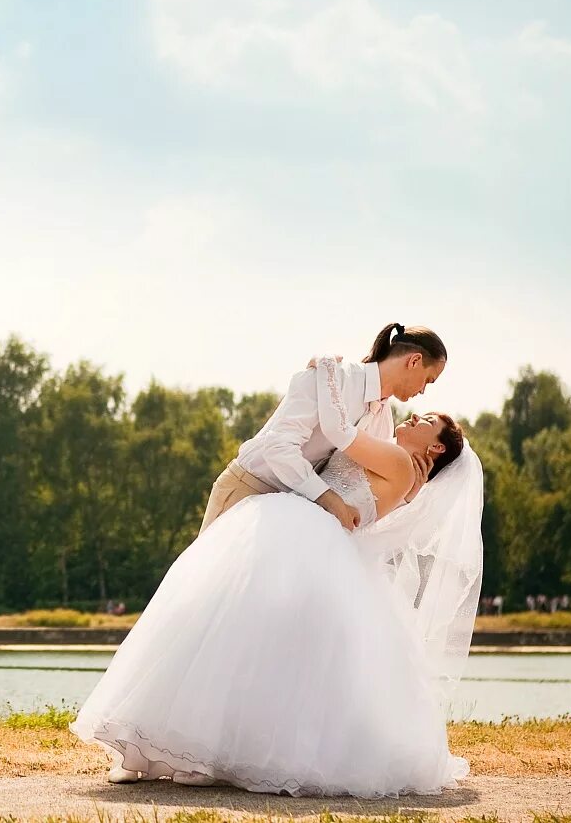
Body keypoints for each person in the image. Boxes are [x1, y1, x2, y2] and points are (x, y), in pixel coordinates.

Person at [72, 355, 484, 798]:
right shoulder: (397, 458)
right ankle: (182, 745)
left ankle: (190, 745)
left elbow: (342, 435)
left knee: (225, 628)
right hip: (302, 525)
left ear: (436, 447)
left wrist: (325, 373)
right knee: (235, 632)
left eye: (425, 421)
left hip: (307, 532)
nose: (415, 412)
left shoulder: (400, 463)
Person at [200, 323, 447, 533]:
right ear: (414, 361)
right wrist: (329, 499)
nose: (424, 390)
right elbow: (277, 447)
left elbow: (361, 489)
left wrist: (405, 496)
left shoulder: (384, 422)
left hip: (294, 519)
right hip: (249, 489)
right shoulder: (333, 376)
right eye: (428, 380)